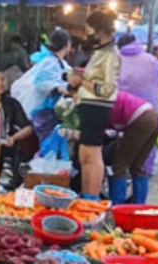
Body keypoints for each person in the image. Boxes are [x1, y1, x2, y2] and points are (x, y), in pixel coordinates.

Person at [67, 11, 120, 200]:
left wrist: (81, 81)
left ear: (99, 30)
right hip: (88, 105)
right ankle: (86, 194)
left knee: (92, 152)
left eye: (89, 29)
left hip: (98, 107)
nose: (87, 33)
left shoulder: (111, 54)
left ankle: (92, 197)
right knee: (84, 154)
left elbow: (106, 88)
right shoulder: (100, 51)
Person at [12, 29, 72, 141]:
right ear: (67, 45)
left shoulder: (58, 63)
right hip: (43, 114)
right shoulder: (50, 62)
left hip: (50, 114)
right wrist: (58, 88)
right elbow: (40, 83)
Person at [117, 33, 158, 178]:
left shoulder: (116, 60)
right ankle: (140, 195)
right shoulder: (151, 60)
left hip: (124, 111)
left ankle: (118, 197)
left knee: (119, 163)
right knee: (143, 158)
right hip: (151, 112)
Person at [107, 91, 158, 205]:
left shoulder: (97, 97)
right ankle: (139, 205)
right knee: (138, 164)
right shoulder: (109, 92)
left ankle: (117, 206)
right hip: (155, 118)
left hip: (142, 120)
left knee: (119, 165)